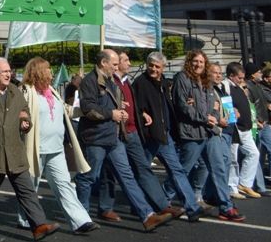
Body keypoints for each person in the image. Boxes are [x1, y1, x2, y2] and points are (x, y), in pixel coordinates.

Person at [75, 49, 171, 231]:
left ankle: (147, 215)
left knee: (127, 176)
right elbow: (88, 108)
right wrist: (111, 113)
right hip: (96, 138)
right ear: (103, 63)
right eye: (113, 64)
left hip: (114, 137)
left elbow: (115, 105)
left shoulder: (111, 81)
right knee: (89, 177)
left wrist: (122, 111)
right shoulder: (90, 81)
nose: (116, 67)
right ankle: (81, 216)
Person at [0, 57, 60, 241]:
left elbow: (24, 112)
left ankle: (39, 225)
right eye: (4, 71)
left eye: (9, 71)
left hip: (14, 150)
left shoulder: (14, 90)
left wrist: (25, 122)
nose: (9, 74)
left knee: (26, 190)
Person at [21, 57, 97, 234]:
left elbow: (65, 110)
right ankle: (25, 218)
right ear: (38, 71)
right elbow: (20, 112)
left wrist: (85, 110)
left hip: (56, 147)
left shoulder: (51, 91)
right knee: (30, 187)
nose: (51, 72)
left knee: (64, 184)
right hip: (35, 148)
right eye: (47, 69)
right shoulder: (26, 90)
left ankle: (81, 221)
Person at [103, 51, 182, 220]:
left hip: (132, 132)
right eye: (125, 60)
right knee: (114, 173)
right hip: (117, 133)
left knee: (143, 169)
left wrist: (141, 114)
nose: (129, 63)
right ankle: (134, 211)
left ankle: (162, 206)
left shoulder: (127, 82)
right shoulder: (110, 83)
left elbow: (135, 105)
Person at [129, 52, 203, 222]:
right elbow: (135, 107)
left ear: (163, 68)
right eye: (151, 65)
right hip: (149, 136)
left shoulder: (163, 83)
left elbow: (168, 107)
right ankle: (138, 205)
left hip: (165, 135)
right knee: (141, 171)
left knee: (176, 170)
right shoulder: (140, 83)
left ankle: (192, 207)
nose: (153, 69)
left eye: (157, 66)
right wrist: (143, 115)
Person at [169, 51, 242, 221]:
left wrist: (213, 117)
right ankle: (163, 201)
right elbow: (183, 106)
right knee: (182, 170)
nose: (198, 64)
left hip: (210, 131)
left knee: (218, 168)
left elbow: (214, 106)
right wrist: (204, 116)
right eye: (195, 61)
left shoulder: (206, 81)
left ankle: (226, 206)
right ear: (189, 62)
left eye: (201, 61)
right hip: (192, 132)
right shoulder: (182, 78)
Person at [225, 62, 262, 198]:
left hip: (245, 128)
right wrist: (232, 115)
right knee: (233, 158)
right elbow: (226, 103)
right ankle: (232, 187)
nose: (241, 80)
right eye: (239, 78)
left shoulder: (239, 87)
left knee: (253, 153)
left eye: (242, 77)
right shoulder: (226, 86)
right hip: (235, 127)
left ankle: (245, 183)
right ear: (231, 76)